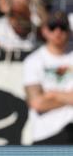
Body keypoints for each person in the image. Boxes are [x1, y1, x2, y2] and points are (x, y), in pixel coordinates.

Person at [23, 12, 73, 145]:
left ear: (69, 31)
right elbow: (37, 103)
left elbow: (42, 100)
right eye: (52, 27)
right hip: (47, 134)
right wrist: (68, 97)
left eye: (62, 27)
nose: (58, 31)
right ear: (44, 31)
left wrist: (51, 94)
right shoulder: (34, 61)